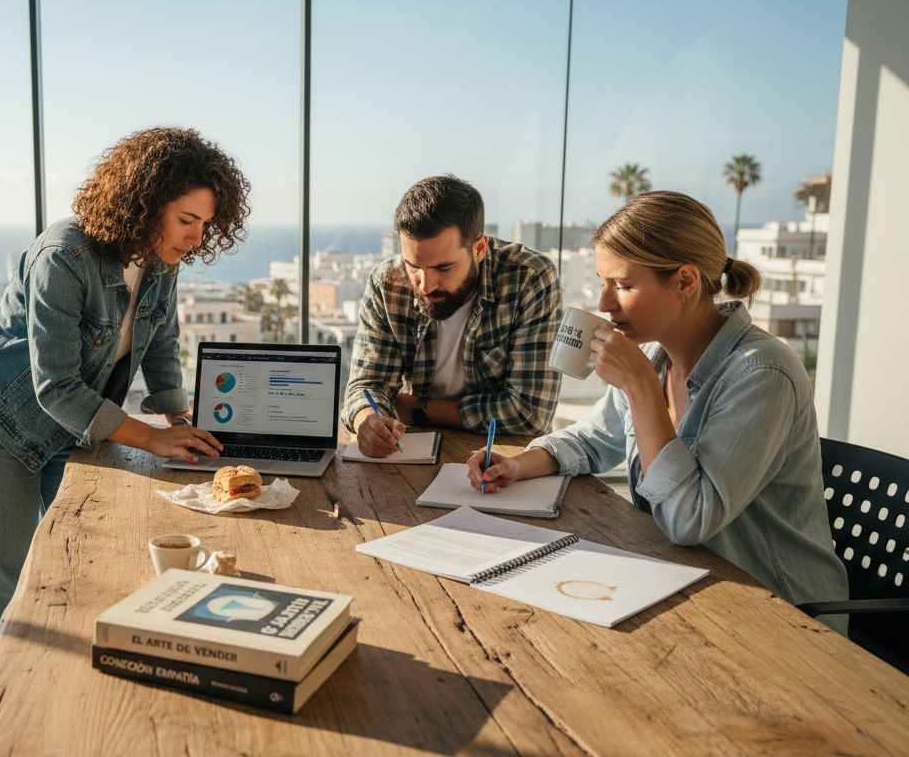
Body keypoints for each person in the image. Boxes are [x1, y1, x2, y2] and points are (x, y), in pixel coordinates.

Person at [466, 190, 848, 630]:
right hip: (688, 583)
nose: (605, 304)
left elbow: (689, 520)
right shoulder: (654, 354)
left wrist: (641, 387)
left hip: (782, 617)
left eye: (623, 286)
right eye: (603, 283)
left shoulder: (761, 374)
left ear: (685, 282)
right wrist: (518, 464)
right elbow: (594, 439)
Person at [0, 127, 251, 654]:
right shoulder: (64, 255)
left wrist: (178, 418)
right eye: (187, 220)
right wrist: (151, 439)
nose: (196, 238)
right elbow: (56, 387)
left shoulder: (162, 259)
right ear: (145, 204)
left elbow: (161, 340)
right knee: (4, 601)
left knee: (73, 570)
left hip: (73, 426)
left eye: (205, 224)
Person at [343, 174, 562, 457]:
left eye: (443, 268)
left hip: (503, 455)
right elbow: (366, 387)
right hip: (412, 451)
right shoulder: (388, 283)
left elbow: (530, 413)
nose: (425, 285)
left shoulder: (529, 277)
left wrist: (418, 409)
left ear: (479, 248)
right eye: (413, 266)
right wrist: (368, 421)